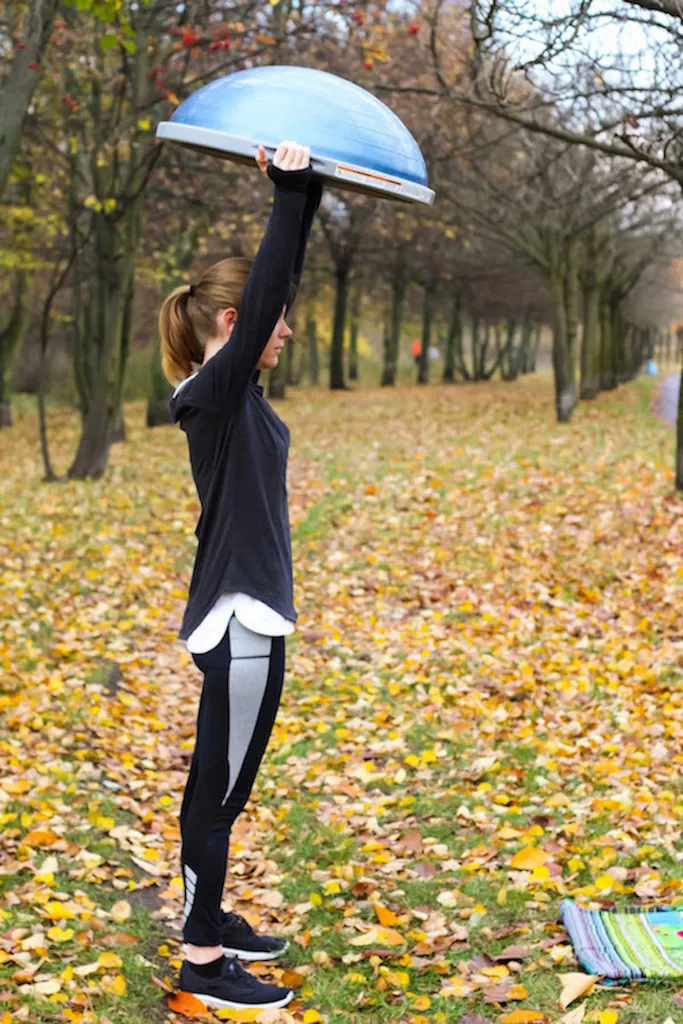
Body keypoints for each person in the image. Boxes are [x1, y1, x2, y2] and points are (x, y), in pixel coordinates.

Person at [158, 141, 322, 1012]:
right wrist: (288, 197)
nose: (284, 329)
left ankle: (210, 918)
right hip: (244, 627)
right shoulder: (214, 395)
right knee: (219, 800)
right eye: (270, 318)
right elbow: (266, 295)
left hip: (246, 621)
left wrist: (309, 189)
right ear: (232, 324)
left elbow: (271, 287)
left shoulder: (237, 397)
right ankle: (202, 960)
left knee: (217, 791)